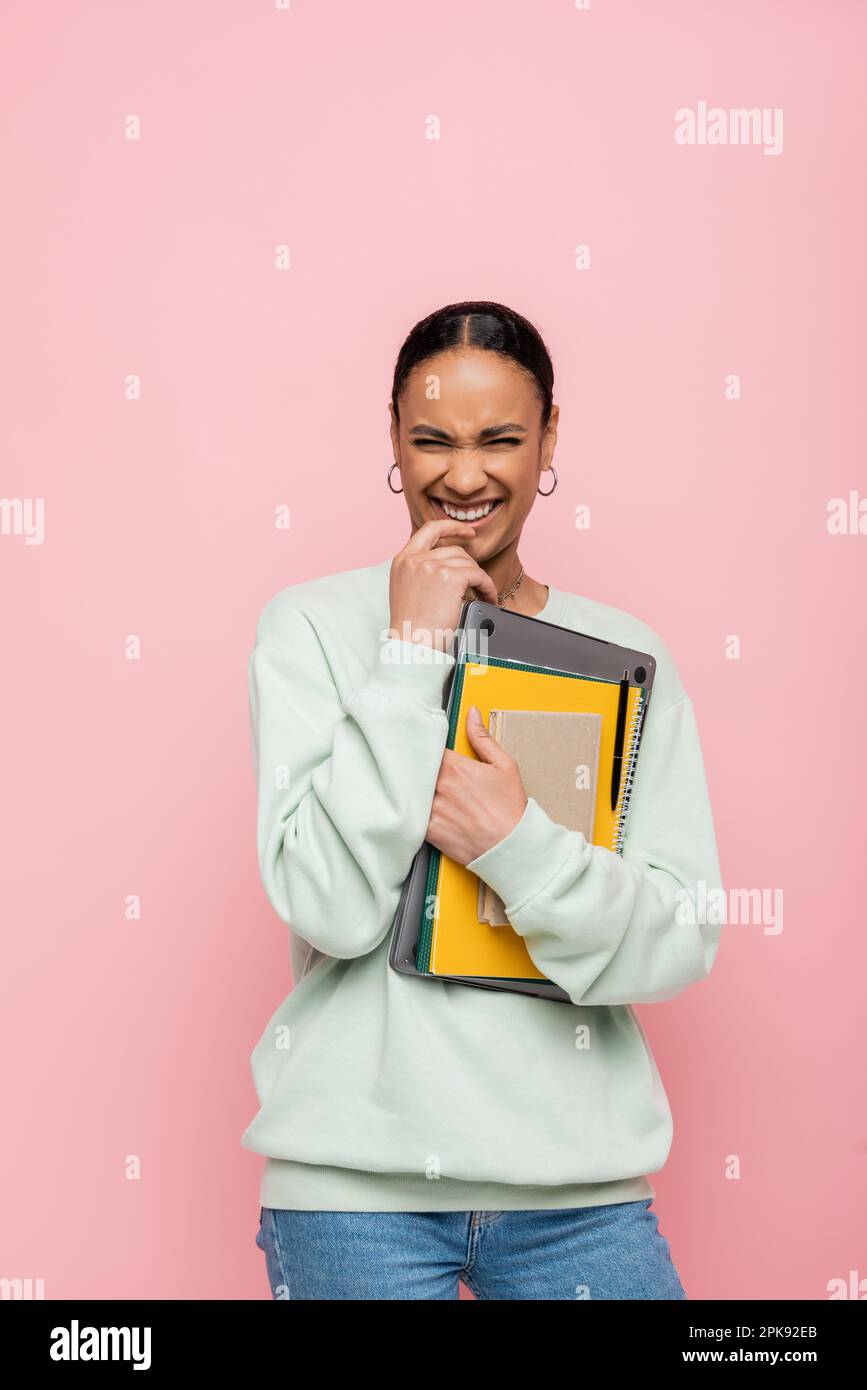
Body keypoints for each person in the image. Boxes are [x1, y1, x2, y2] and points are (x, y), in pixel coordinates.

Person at [242, 300, 724, 1300]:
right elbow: (330, 907)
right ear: (393, 440)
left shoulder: (624, 659)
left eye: (501, 438)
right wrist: (411, 648)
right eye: (433, 440)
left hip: (578, 1197)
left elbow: (678, 936)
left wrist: (515, 844)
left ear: (550, 437)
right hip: (353, 1199)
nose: (464, 476)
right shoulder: (311, 632)